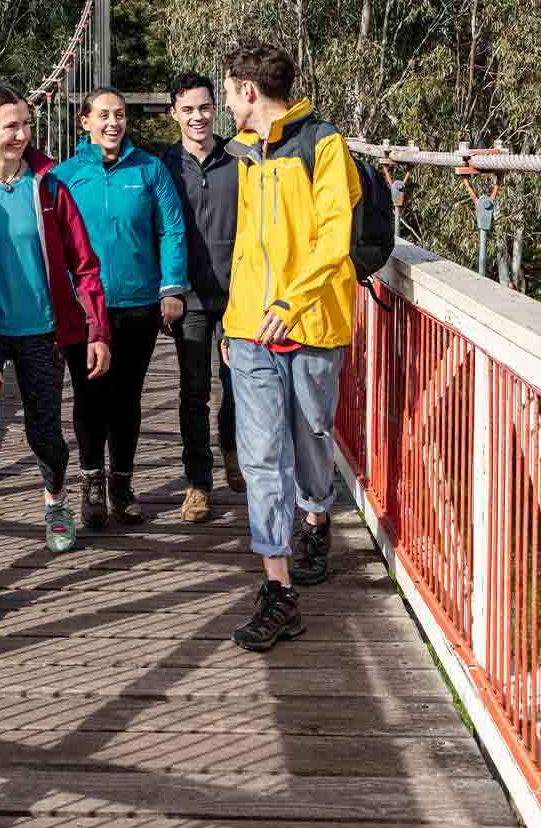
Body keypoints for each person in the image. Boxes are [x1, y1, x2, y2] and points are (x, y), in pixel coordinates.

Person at [0, 84, 112, 622]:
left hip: (40, 330)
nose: (21, 135)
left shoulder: (50, 187)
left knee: (44, 435)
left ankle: (54, 499)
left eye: (25, 125)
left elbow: (84, 264)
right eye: (10, 125)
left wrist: (98, 329)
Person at [218, 40, 360, 652]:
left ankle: (317, 516)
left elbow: (336, 238)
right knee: (260, 458)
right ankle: (277, 589)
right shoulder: (245, 155)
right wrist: (233, 320)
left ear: (248, 91)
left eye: (227, 90)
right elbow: (247, 249)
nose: (225, 103)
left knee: (311, 439)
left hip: (310, 325)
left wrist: (289, 303)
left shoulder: (323, 146)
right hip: (252, 331)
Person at [55, 87, 190, 528]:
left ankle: (122, 484)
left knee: (127, 395)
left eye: (120, 115)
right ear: (85, 123)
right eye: (104, 115)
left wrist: (171, 287)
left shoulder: (149, 170)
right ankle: (91, 482)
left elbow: (172, 228)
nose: (113, 123)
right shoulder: (65, 176)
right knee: (90, 395)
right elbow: (50, 242)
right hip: (83, 308)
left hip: (137, 303)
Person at [159, 71, 241, 522]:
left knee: (238, 387)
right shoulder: (163, 165)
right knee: (194, 392)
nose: (198, 117)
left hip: (237, 296)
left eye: (205, 107)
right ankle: (197, 485)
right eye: (188, 109)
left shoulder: (239, 159)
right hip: (188, 298)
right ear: (174, 112)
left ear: (217, 109)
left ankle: (231, 448)